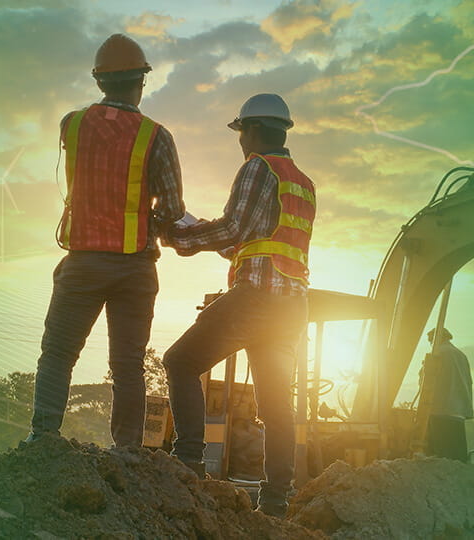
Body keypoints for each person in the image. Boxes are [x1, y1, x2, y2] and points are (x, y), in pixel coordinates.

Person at [24, 34, 185, 448]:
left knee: (58, 354)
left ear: (99, 82)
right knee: (128, 365)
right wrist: (141, 224)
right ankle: (128, 454)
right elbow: (171, 206)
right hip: (134, 266)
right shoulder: (157, 136)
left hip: (83, 263)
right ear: (141, 82)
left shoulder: (71, 125)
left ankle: (43, 440)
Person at [162, 93, 315, 518]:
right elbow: (254, 243)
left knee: (179, 361)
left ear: (253, 130)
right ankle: (275, 500)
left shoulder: (257, 167)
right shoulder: (301, 181)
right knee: (276, 404)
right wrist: (209, 239)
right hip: (291, 308)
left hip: (256, 300)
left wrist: (181, 237)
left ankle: (189, 460)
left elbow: (232, 227)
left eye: (241, 132)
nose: (240, 142)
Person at [426, 327, 473, 419]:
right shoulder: (462, 356)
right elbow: (469, 381)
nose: (431, 344)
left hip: (439, 411)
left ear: (436, 339)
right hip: (459, 413)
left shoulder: (437, 353)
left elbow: (426, 381)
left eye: (430, 341)